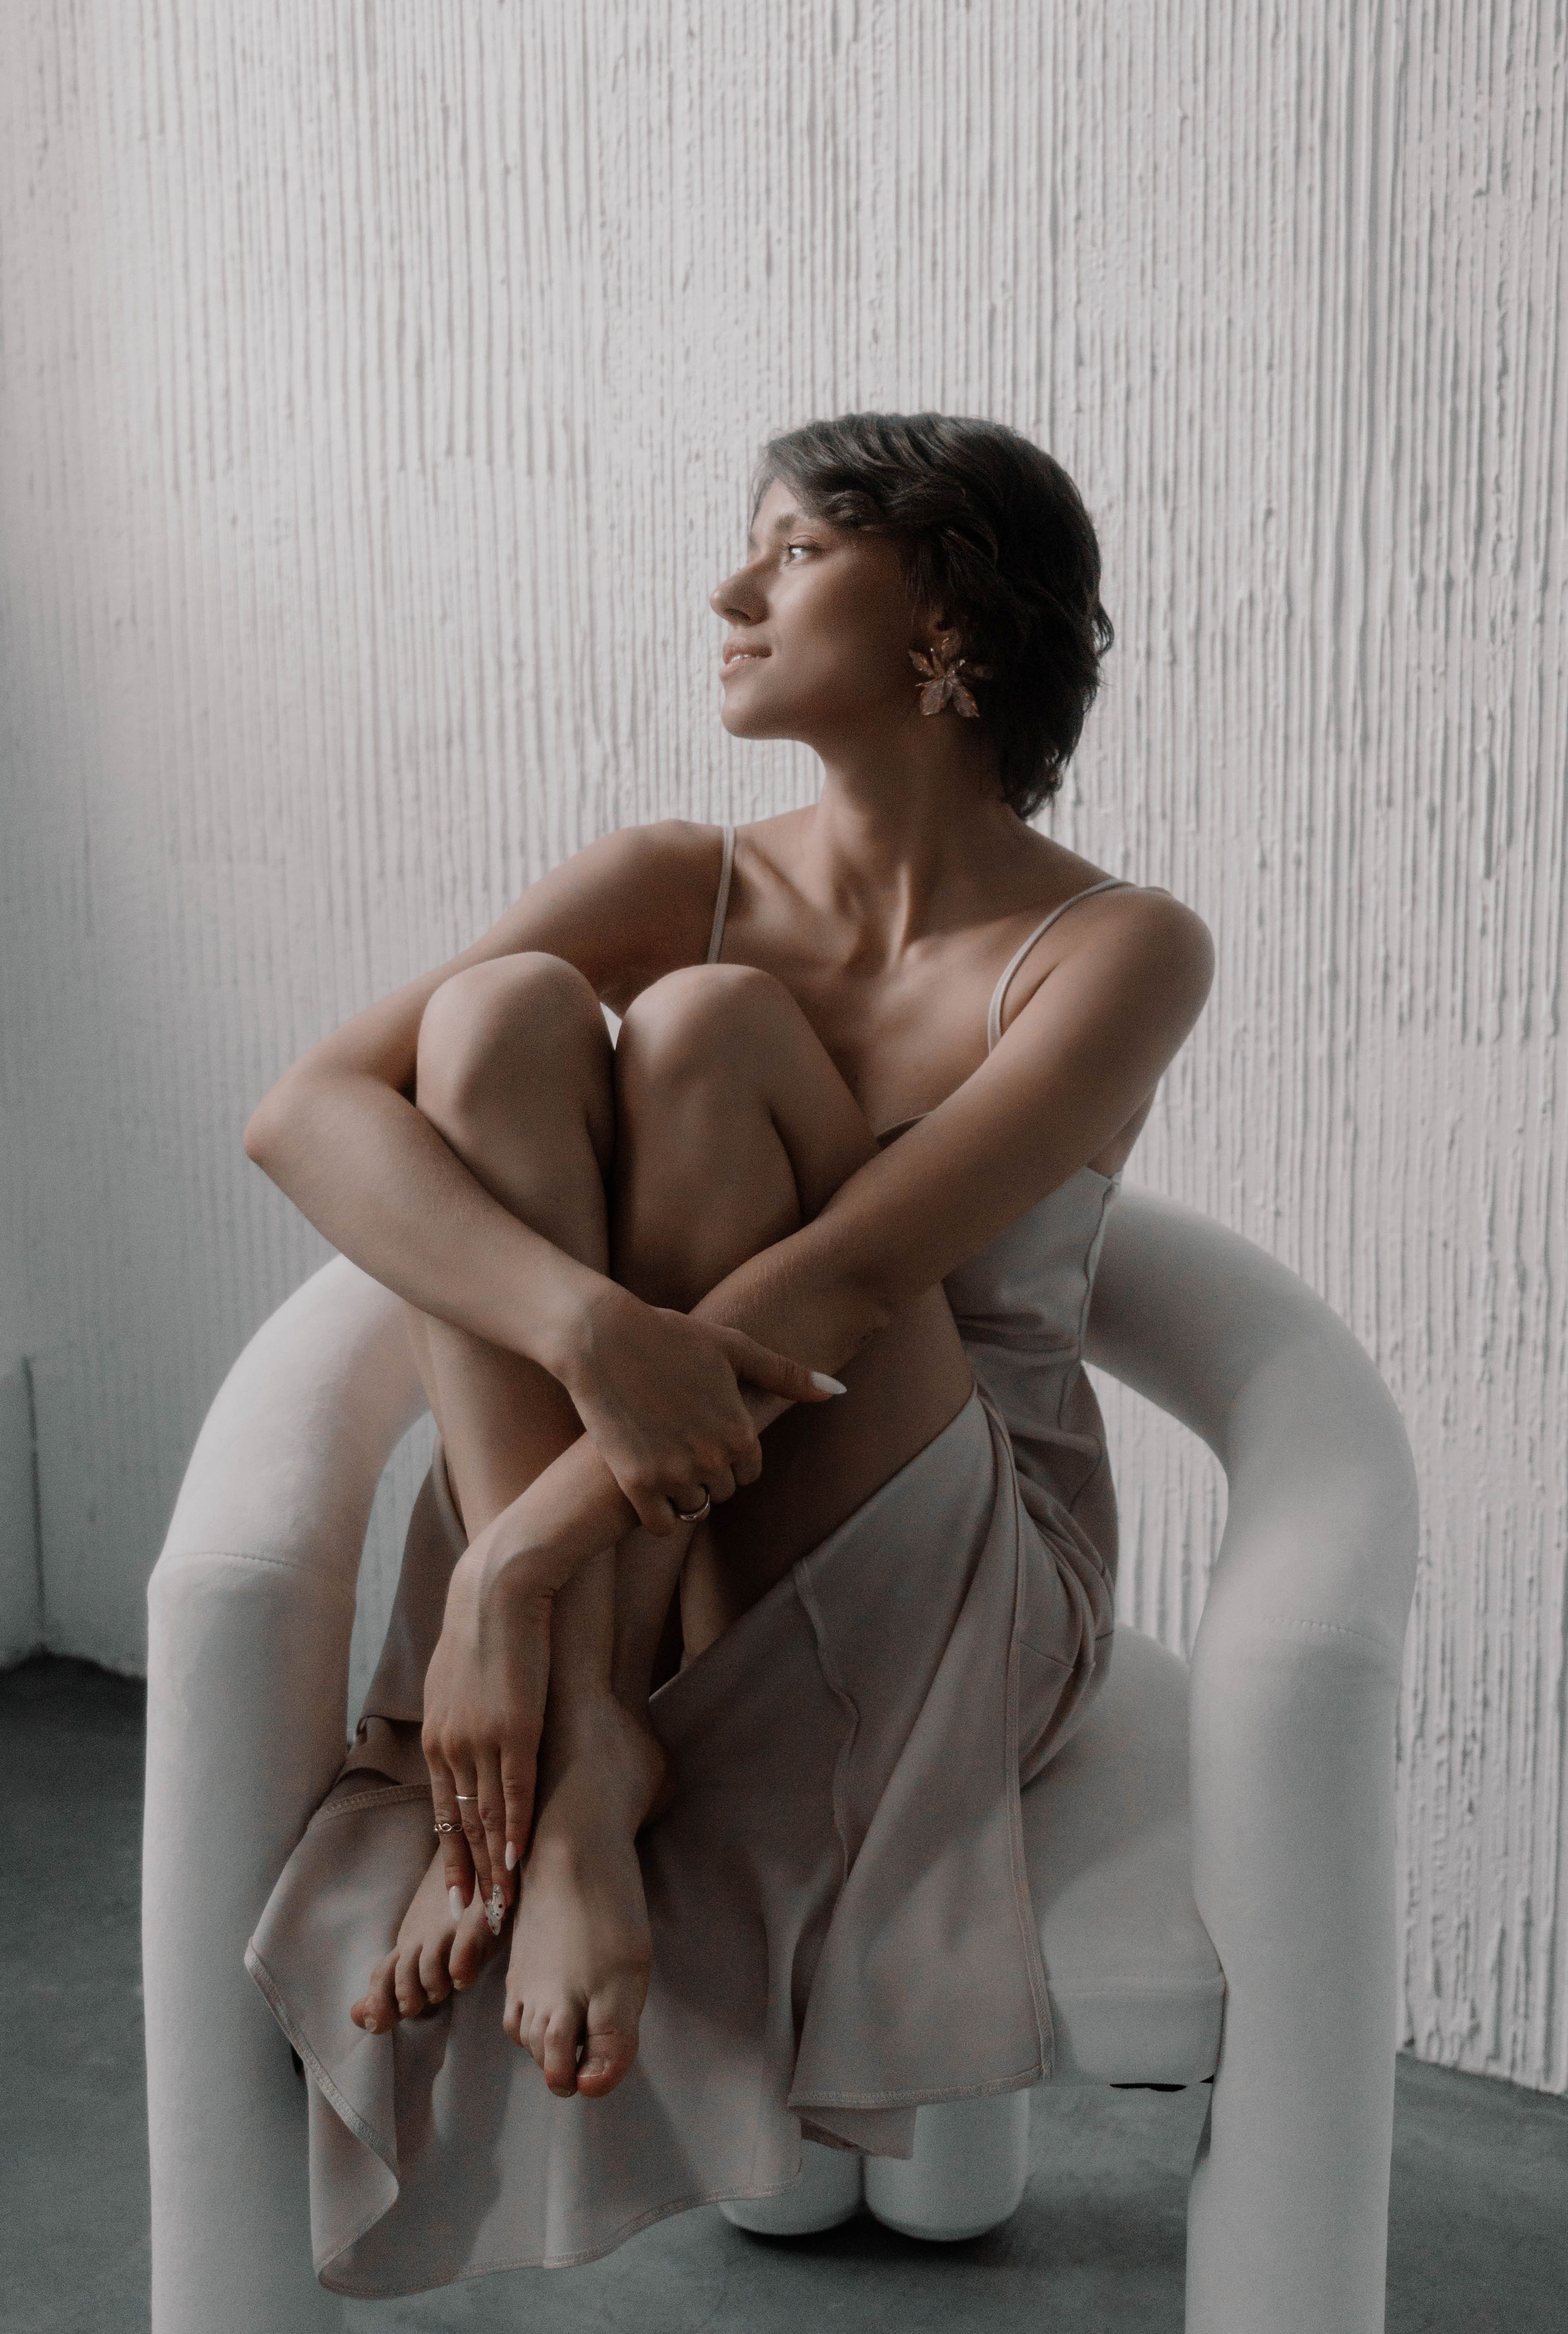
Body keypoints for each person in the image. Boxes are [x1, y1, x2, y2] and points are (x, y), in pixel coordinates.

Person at [241, 411, 1214, 2290]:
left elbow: (838, 1289)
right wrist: (585, 1325)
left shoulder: (1119, 945)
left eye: (791, 552)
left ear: (948, 605)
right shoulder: (667, 869)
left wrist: (509, 1574)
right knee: (509, 1017)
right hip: (649, 1532)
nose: (729, 592)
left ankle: (577, 1742)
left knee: (699, 1036)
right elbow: (305, 1115)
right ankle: (598, 1744)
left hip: (933, 1547)